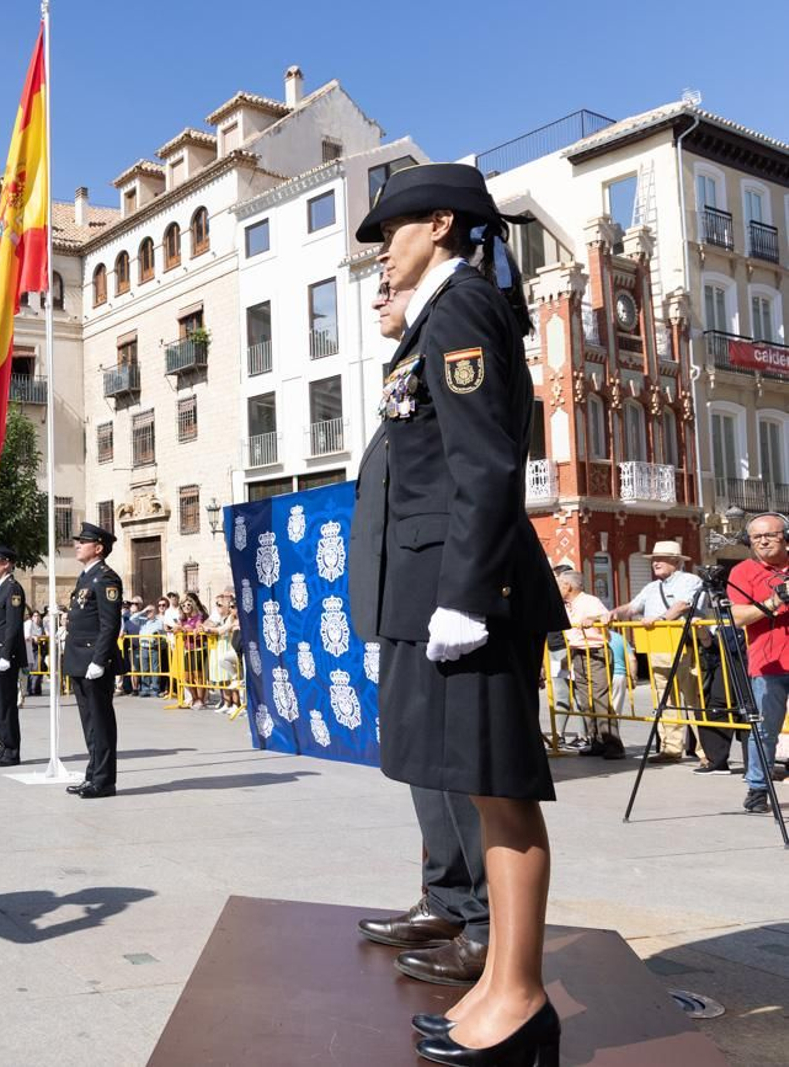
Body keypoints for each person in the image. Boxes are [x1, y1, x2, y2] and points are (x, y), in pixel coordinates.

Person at [352, 163, 567, 1062]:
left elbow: (484, 465)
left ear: (440, 222)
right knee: (478, 786)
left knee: (500, 793)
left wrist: (467, 598)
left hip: (464, 591)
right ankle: (496, 983)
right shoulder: (436, 320)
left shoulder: (465, 308)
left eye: (391, 232)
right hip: (436, 584)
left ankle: (518, 994)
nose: (382, 252)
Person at [353, 281, 493, 993]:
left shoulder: (457, 321)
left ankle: (483, 920)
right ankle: (446, 899)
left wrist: (460, 596)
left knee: (459, 766)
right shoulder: (408, 365)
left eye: (388, 285)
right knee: (420, 760)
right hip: (404, 597)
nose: (378, 295)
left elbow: (479, 464)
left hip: (445, 592)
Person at [608, 541, 706, 763]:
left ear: (676, 561)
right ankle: (670, 749)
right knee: (665, 701)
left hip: (684, 649)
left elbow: (683, 605)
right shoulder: (652, 587)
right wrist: (613, 613)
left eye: (661, 558)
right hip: (658, 649)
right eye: (654, 559)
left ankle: (705, 752)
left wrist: (660, 620)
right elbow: (633, 607)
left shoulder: (690, 580)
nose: (655, 563)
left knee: (693, 701)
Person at [724, 512, 789, 816]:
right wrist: (774, 603)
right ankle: (758, 789)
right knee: (765, 731)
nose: (763, 541)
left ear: (784, 536)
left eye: (770, 535)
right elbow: (738, 617)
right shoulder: (742, 572)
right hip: (767, 665)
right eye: (756, 537)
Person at [64, 522, 124, 799]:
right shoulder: (86, 577)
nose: (77, 544)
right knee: (89, 723)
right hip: (79, 658)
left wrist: (99, 660)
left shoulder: (106, 578)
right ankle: (92, 775)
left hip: (93, 661)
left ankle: (104, 780)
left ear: (98, 548)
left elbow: (109, 625)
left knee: (100, 722)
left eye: (83, 541)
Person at [558, 571, 622, 759]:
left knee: (600, 699)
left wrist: (592, 620)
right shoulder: (568, 606)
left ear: (568, 586)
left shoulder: (589, 601)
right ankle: (596, 741)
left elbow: (606, 617)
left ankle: (613, 744)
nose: (558, 588)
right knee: (586, 701)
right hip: (578, 651)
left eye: (560, 584)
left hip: (595, 651)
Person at [0, 546, 26, 767]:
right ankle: (3, 744)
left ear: (7, 563)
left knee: (7, 704)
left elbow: (13, 624)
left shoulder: (13, 589)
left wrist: (6, 654)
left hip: (3, 655)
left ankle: (12, 751)